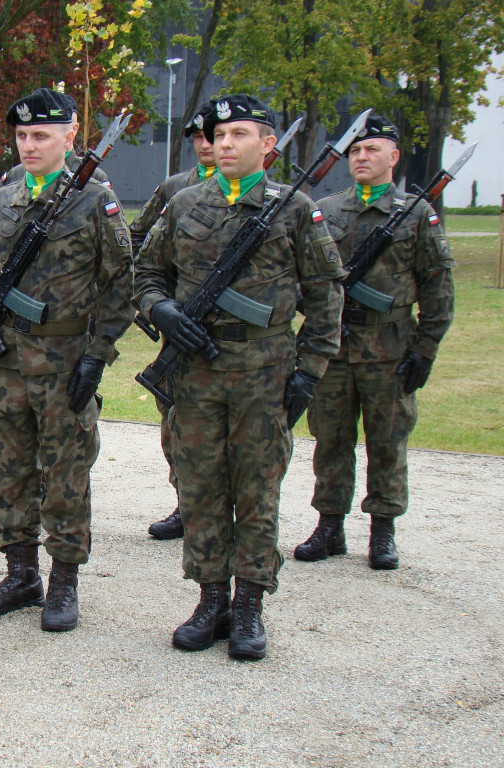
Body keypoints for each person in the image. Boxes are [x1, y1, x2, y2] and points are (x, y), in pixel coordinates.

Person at [134, 94, 345, 659]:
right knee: (201, 488)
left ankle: (249, 603)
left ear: (268, 145)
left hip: (263, 373)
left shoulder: (295, 208)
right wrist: (162, 312)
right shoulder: (182, 204)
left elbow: (326, 295)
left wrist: (309, 371)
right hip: (196, 375)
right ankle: (210, 599)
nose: (224, 144)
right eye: (218, 136)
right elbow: (147, 272)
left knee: (256, 491)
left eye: (239, 135)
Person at [0, 87, 133, 632]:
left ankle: (64, 582)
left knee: (66, 474)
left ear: (70, 135)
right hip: (4, 364)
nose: (28, 145)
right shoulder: (0, 199)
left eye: (41, 135)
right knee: (6, 474)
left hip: (65, 362)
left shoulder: (96, 201)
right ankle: (20, 573)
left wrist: (97, 356)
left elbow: (124, 284)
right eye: (22, 135)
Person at [296, 115, 455, 570]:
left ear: (394, 157)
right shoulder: (326, 209)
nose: (362, 158)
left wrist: (425, 348)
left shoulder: (416, 213)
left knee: (387, 440)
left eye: (372, 150)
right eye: (356, 151)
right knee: (330, 437)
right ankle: (330, 525)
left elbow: (437, 290)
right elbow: (306, 278)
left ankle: (383, 528)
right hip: (334, 348)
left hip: (390, 349)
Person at [130, 99, 217, 542]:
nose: (206, 144)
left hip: (228, 330)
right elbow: (138, 239)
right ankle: (185, 502)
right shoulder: (175, 190)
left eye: (213, 135)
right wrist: (155, 301)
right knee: (175, 418)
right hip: (180, 323)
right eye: (199, 137)